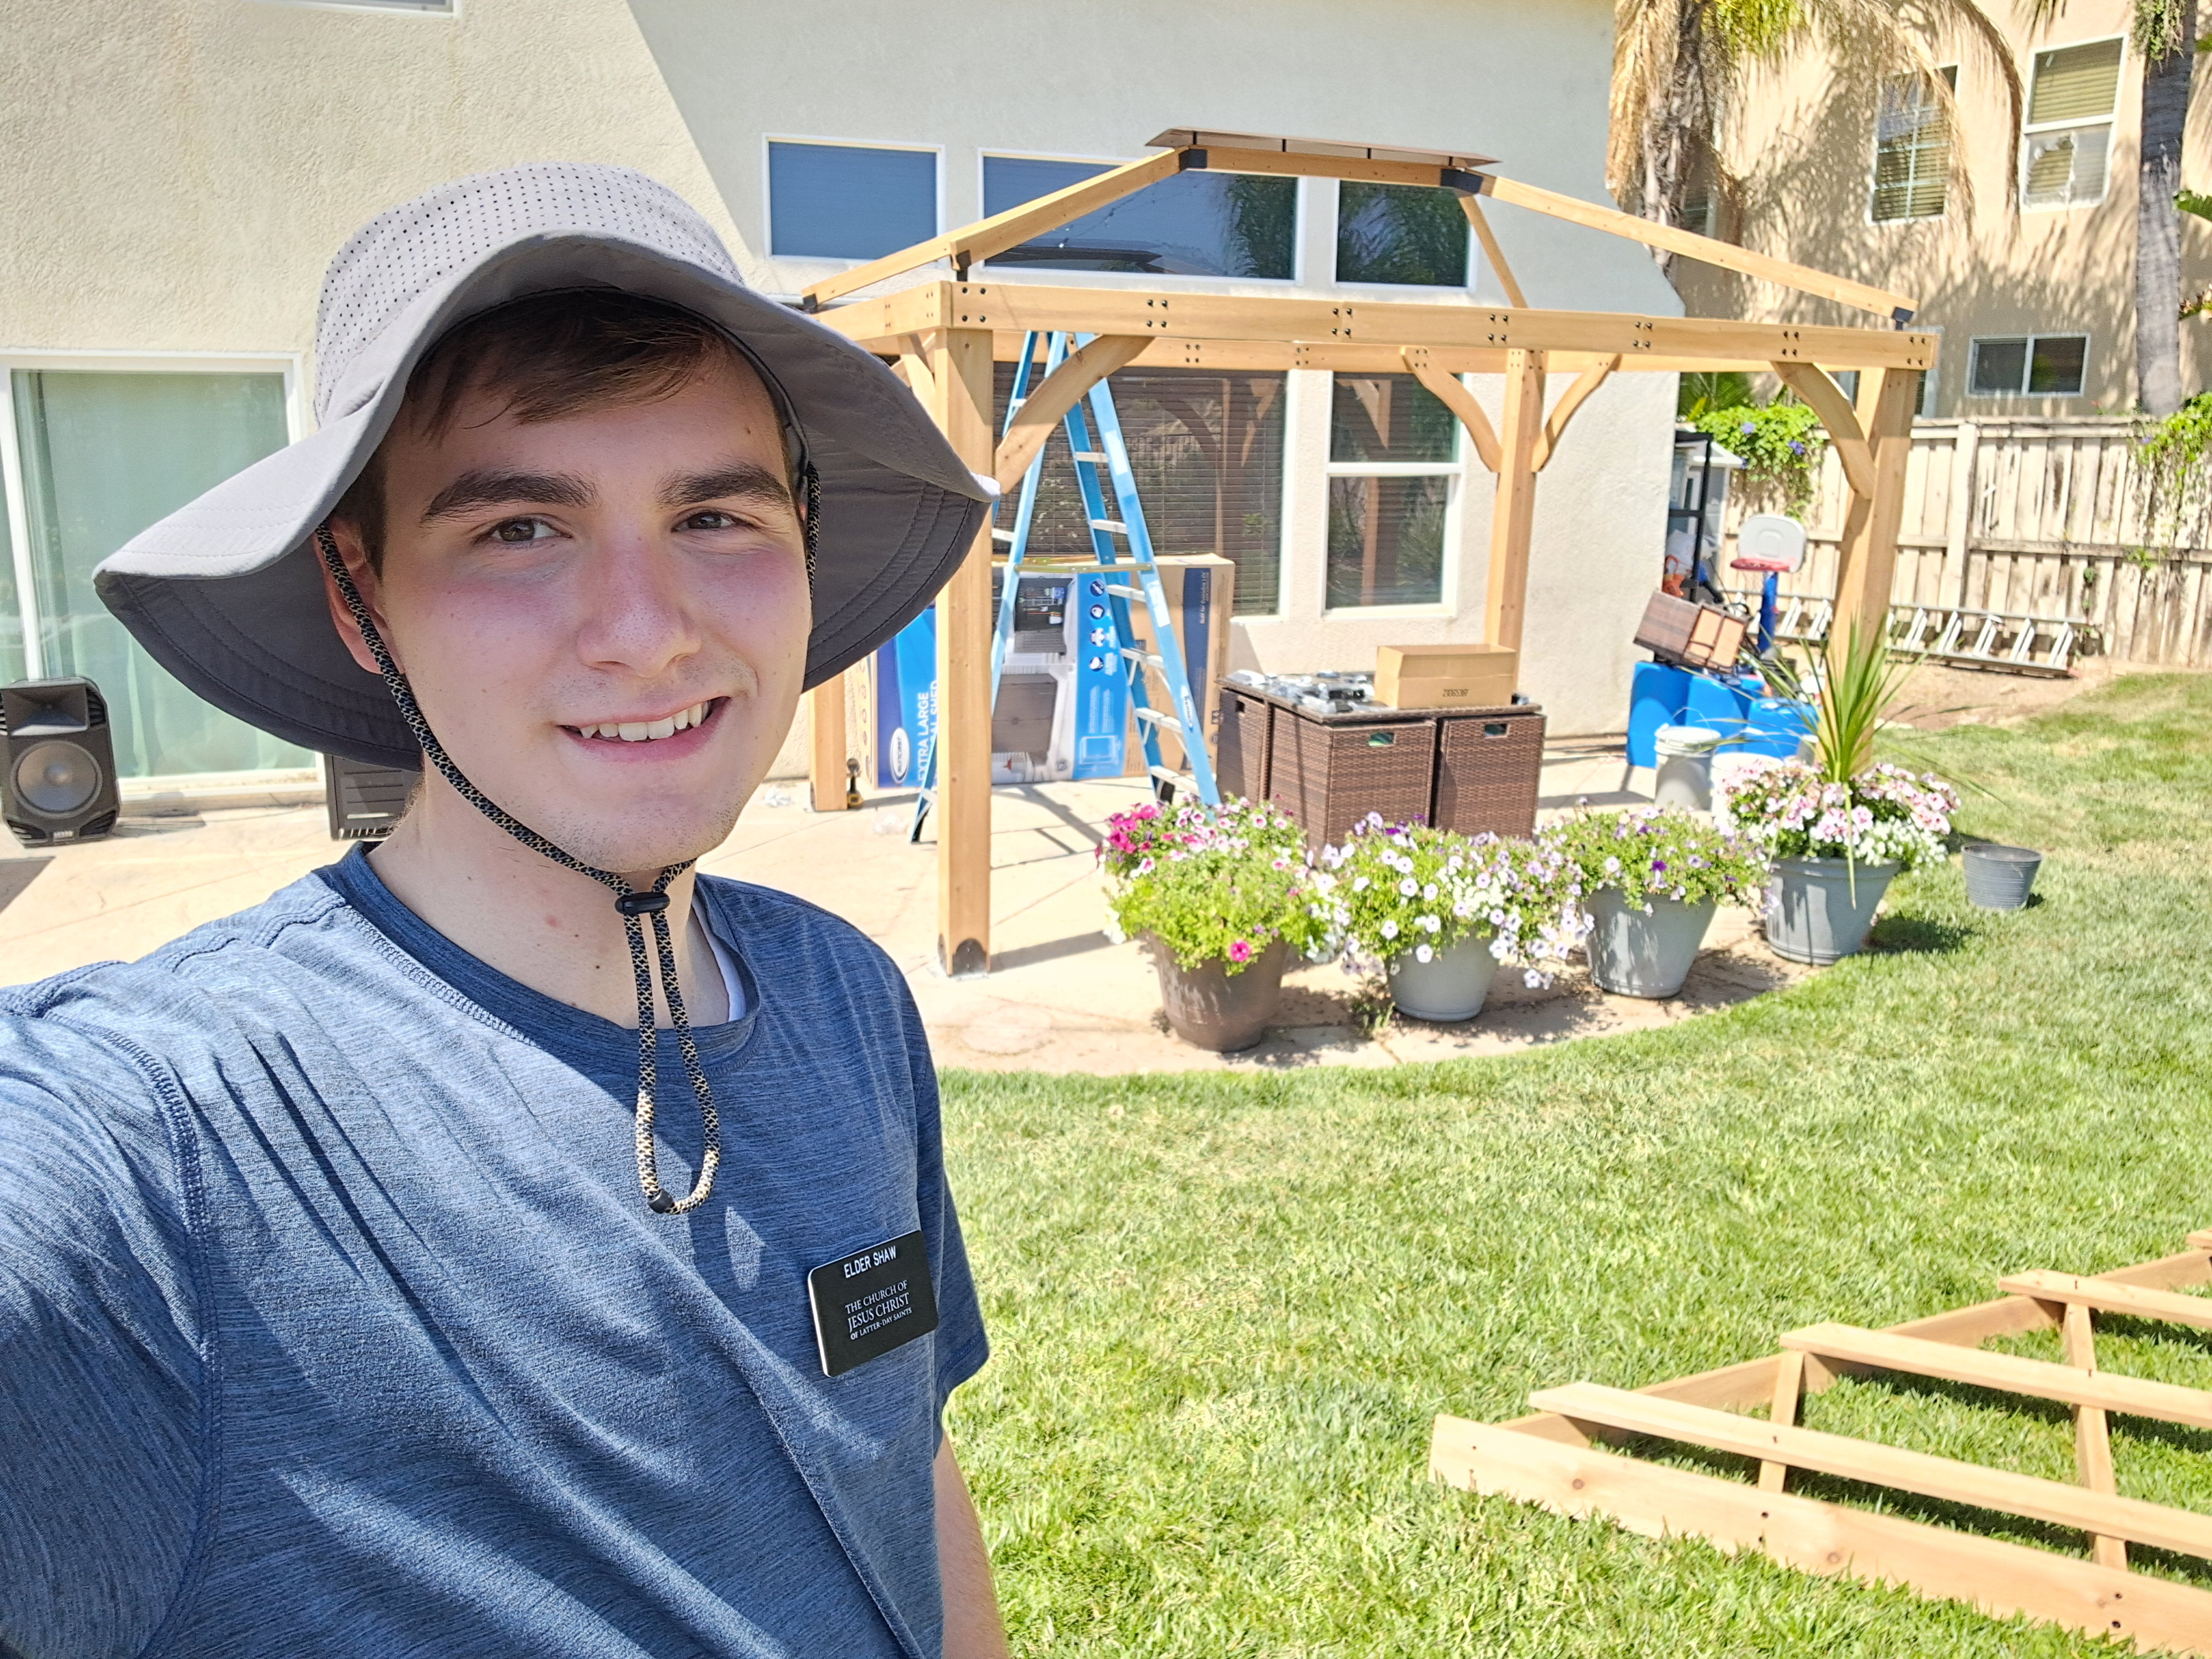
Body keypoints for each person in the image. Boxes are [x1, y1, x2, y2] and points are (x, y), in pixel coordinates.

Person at [0, 164, 1007, 1658]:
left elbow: (905, 1464)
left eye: (717, 513)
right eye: (520, 529)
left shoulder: (848, 998)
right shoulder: (172, 1140)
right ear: (361, 594)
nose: (648, 632)